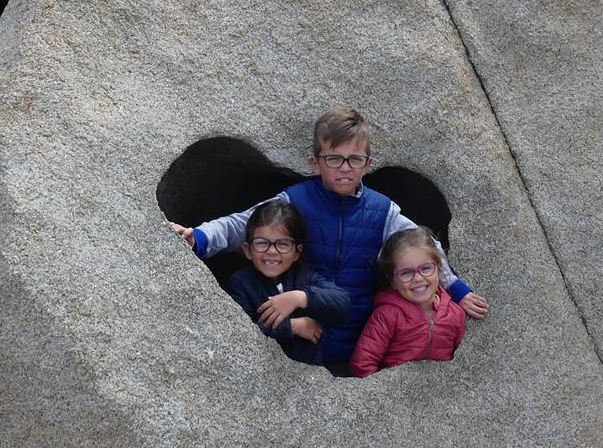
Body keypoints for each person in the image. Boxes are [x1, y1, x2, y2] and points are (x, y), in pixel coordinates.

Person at [169, 107, 489, 375]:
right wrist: (198, 236)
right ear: (316, 162)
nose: (345, 168)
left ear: (368, 163)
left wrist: (456, 289)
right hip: (299, 340)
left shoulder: (382, 211)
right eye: (334, 159)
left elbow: (426, 247)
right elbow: (243, 224)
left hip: (360, 339)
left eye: (354, 159)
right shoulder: (297, 200)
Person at [225, 199, 349, 368]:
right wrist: (292, 327)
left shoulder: (305, 277)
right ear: (247, 250)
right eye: (262, 243)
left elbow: (342, 301)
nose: (272, 251)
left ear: (297, 252)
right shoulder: (240, 284)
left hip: (309, 375)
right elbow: (238, 335)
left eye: (283, 244)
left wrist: (300, 298)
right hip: (259, 374)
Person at [350, 227, 468, 378]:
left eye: (426, 268)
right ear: (392, 280)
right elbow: (362, 364)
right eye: (406, 273)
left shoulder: (455, 314)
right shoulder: (387, 315)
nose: (418, 278)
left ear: (439, 268)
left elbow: (463, 363)